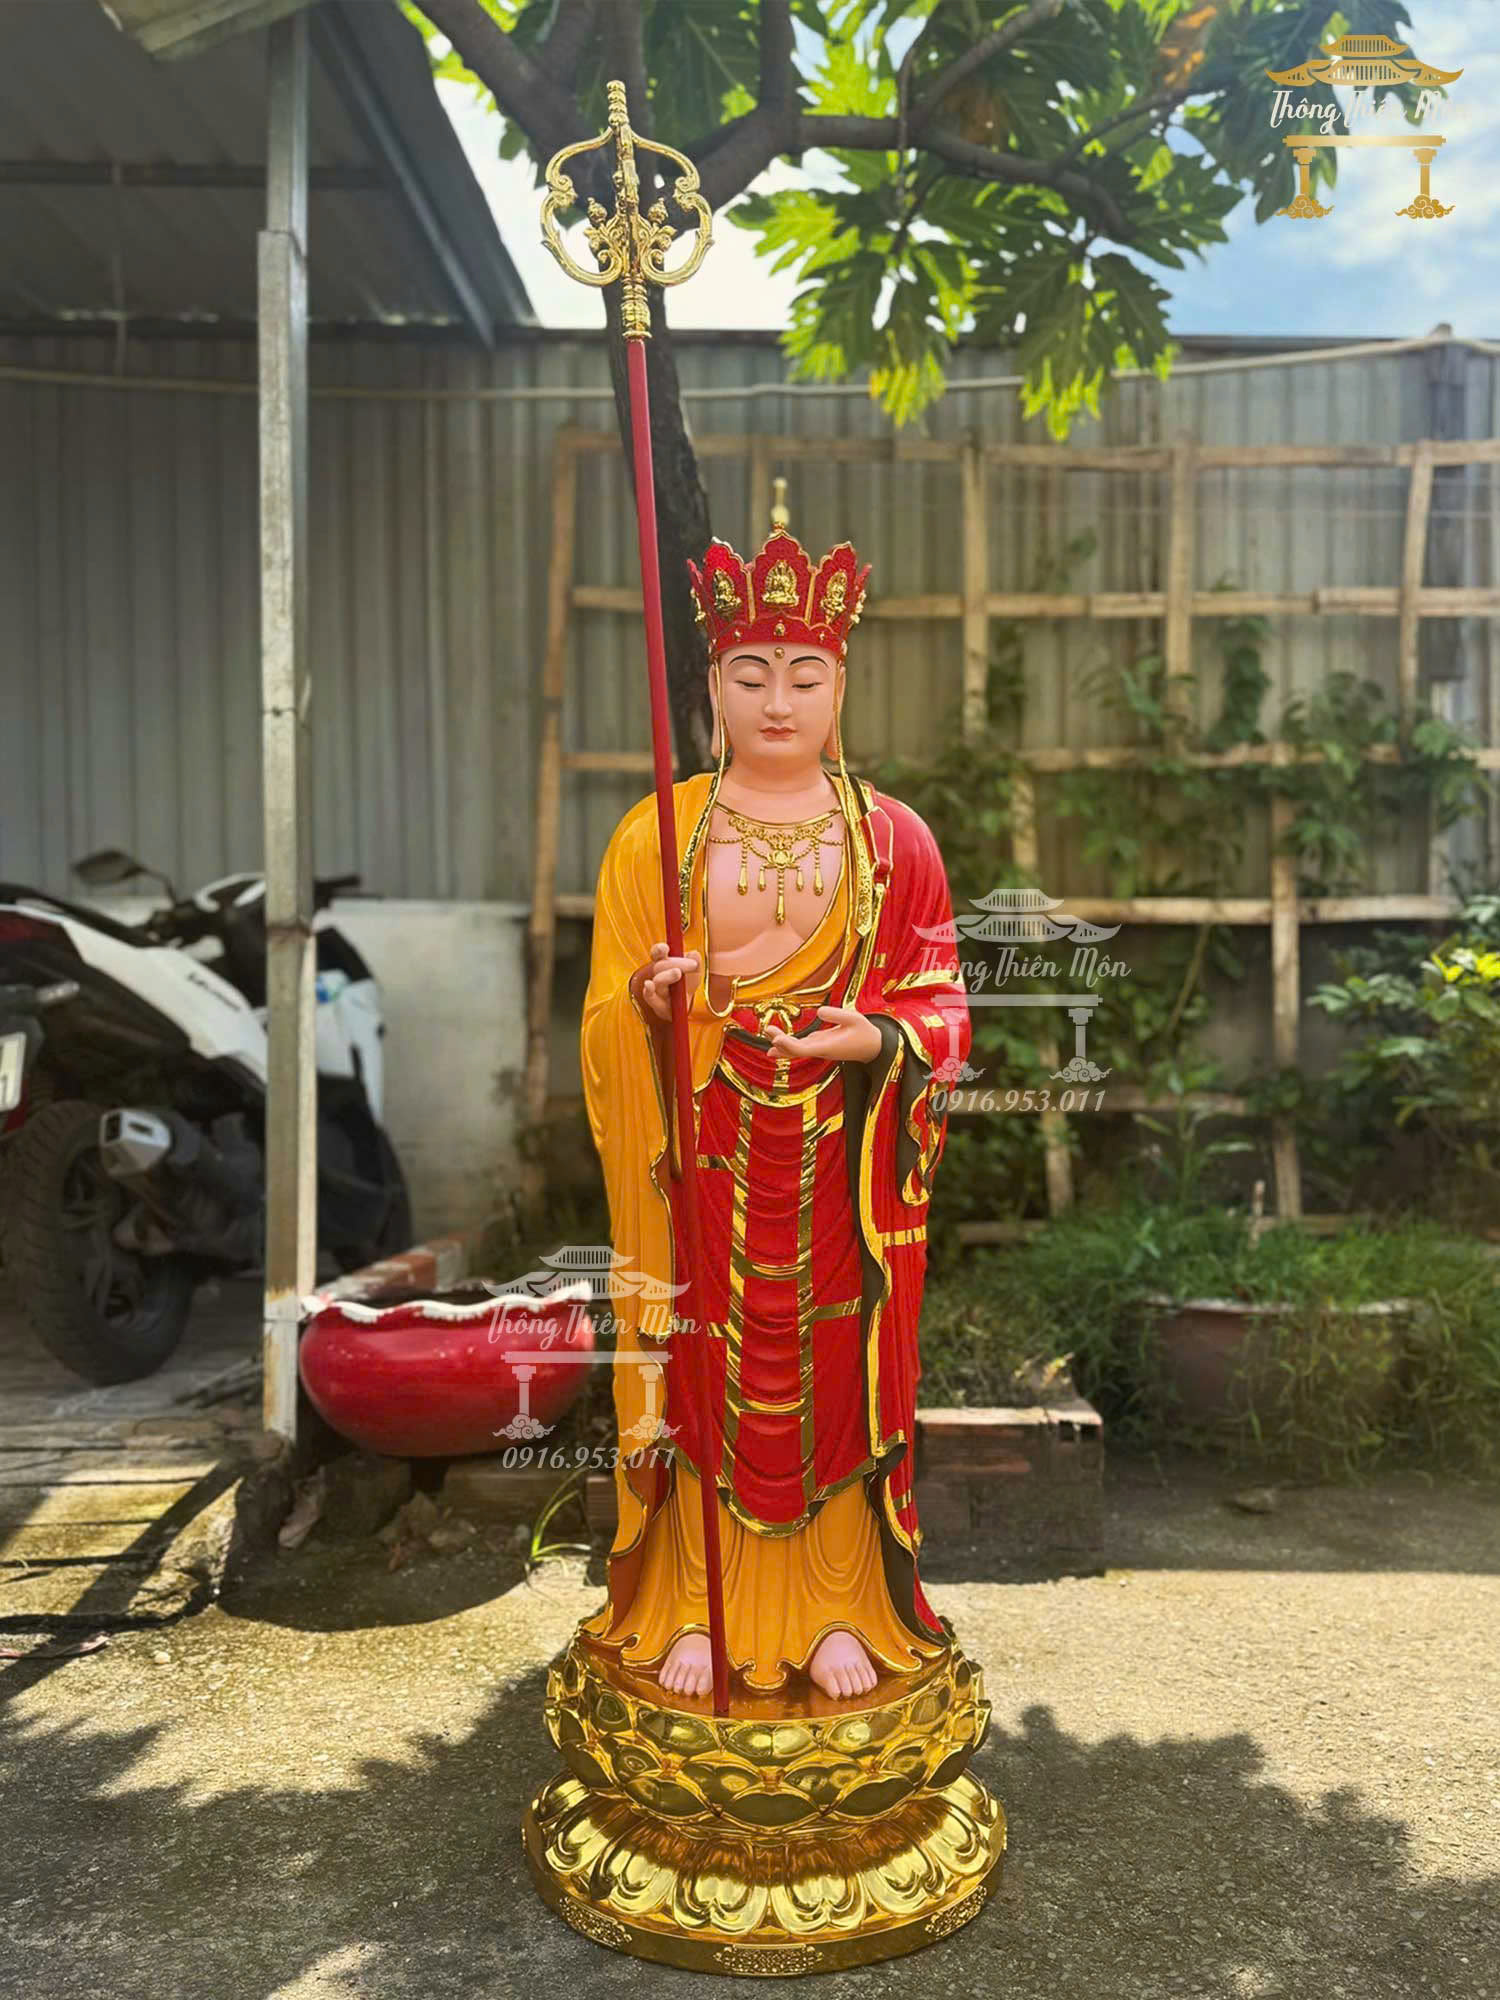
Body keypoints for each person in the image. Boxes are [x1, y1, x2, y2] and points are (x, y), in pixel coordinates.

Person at [579, 510, 971, 1703]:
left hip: (839, 1156)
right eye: (750, 674)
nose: (779, 700)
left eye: (805, 674)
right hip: (705, 1143)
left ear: (841, 683)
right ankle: (703, 1597)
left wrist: (880, 1036)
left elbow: (942, 1001)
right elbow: (608, 1013)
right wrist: (654, 1009)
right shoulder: (658, 833)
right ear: (713, 685)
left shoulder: (893, 838)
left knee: (837, 1372)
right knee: (704, 1368)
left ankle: (838, 1598)